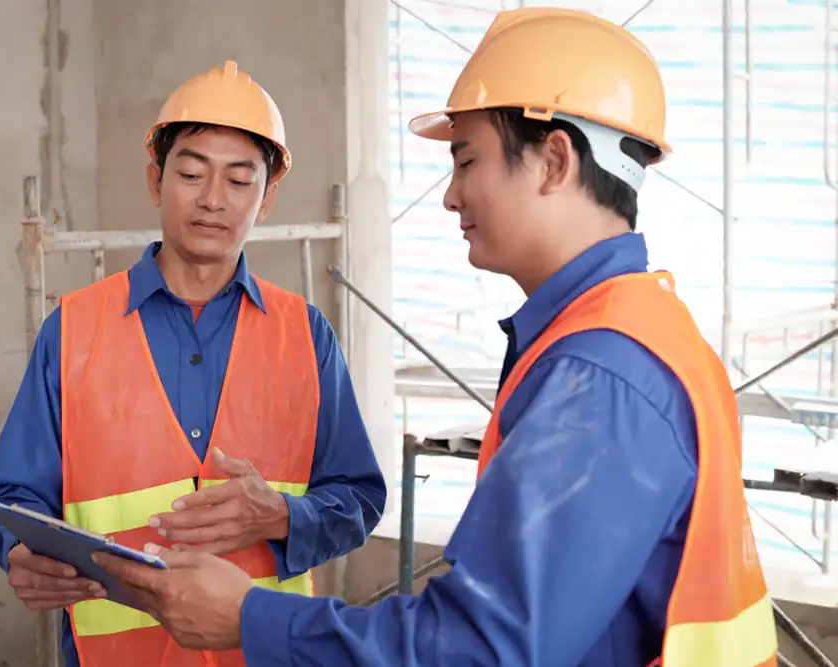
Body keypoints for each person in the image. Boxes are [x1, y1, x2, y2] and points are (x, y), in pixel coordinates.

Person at [93, 8, 780, 667]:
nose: (450, 195)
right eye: (191, 173)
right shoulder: (630, 334)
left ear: (555, 161)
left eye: (467, 160)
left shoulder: (603, 372)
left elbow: (482, 647)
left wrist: (254, 615)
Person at [0, 60, 387, 667]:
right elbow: (12, 496)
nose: (213, 200)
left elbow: (357, 497)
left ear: (267, 197)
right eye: (191, 173)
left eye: (240, 181)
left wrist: (281, 516)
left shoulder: (306, 335)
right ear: (156, 180)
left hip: (260, 654)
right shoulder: (74, 329)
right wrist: (19, 550)